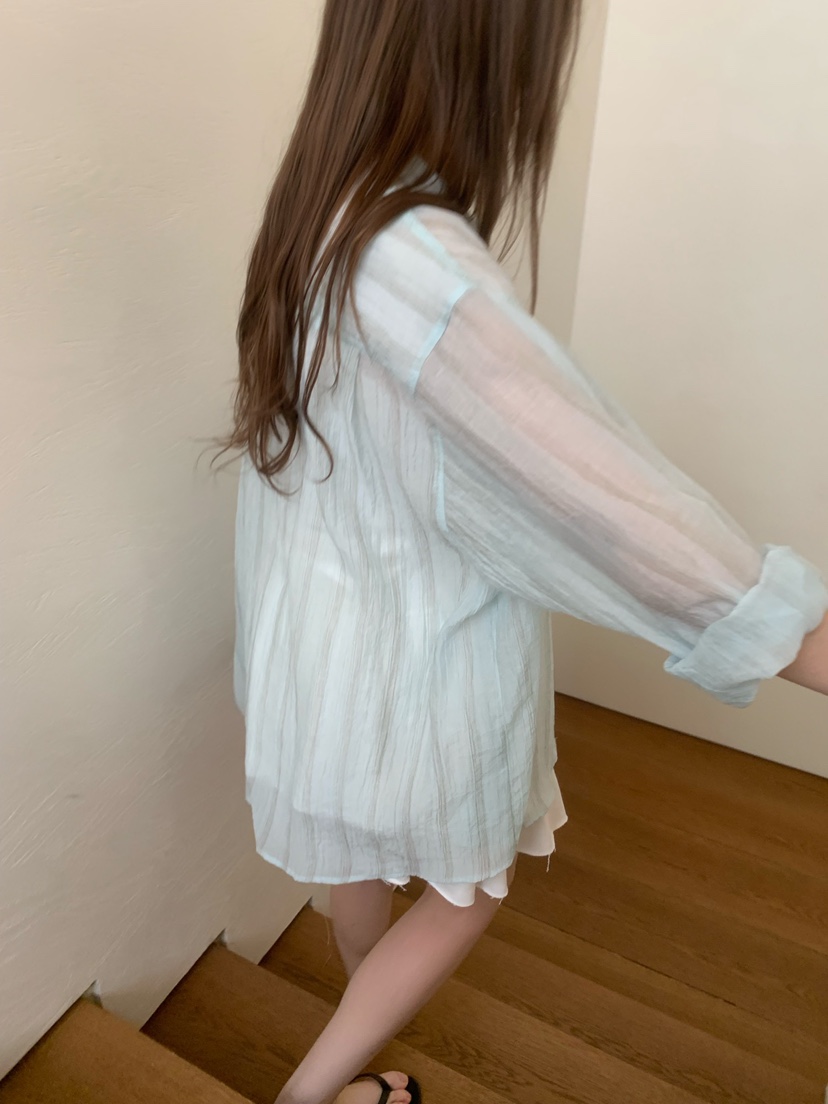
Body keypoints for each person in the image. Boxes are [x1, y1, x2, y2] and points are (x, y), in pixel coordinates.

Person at [222, 4, 828, 1103]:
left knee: (358, 858)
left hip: (314, 650)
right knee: (467, 891)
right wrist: (794, 634)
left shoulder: (321, 207)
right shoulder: (422, 264)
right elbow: (607, 495)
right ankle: (313, 1092)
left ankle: (362, 1024)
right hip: (420, 665)